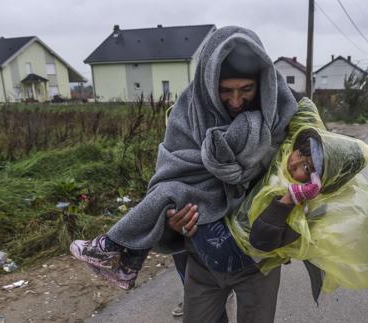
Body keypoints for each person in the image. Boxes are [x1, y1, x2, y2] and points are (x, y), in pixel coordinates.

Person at [70, 25, 300, 323]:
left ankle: (120, 251)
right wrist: (173, 223)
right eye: (225, 91)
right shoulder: (189, 112)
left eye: (246, 90)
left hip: (260, 256)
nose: (234, 101)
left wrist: (289, 218)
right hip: (202, 254)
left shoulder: (285, 110)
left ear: (262, 82)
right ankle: (123, 252)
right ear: (208, 82)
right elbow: (171, 174)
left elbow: (314, 172)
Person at [226, 101, 368, 302]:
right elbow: (303, 105)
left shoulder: (311, 210)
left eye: (308, 169)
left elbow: (260, 240)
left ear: (322, 181)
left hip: (249, 263)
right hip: (218, 236)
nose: (294, 163)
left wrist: (290, 199)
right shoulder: (290, 149)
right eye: (301, 154)